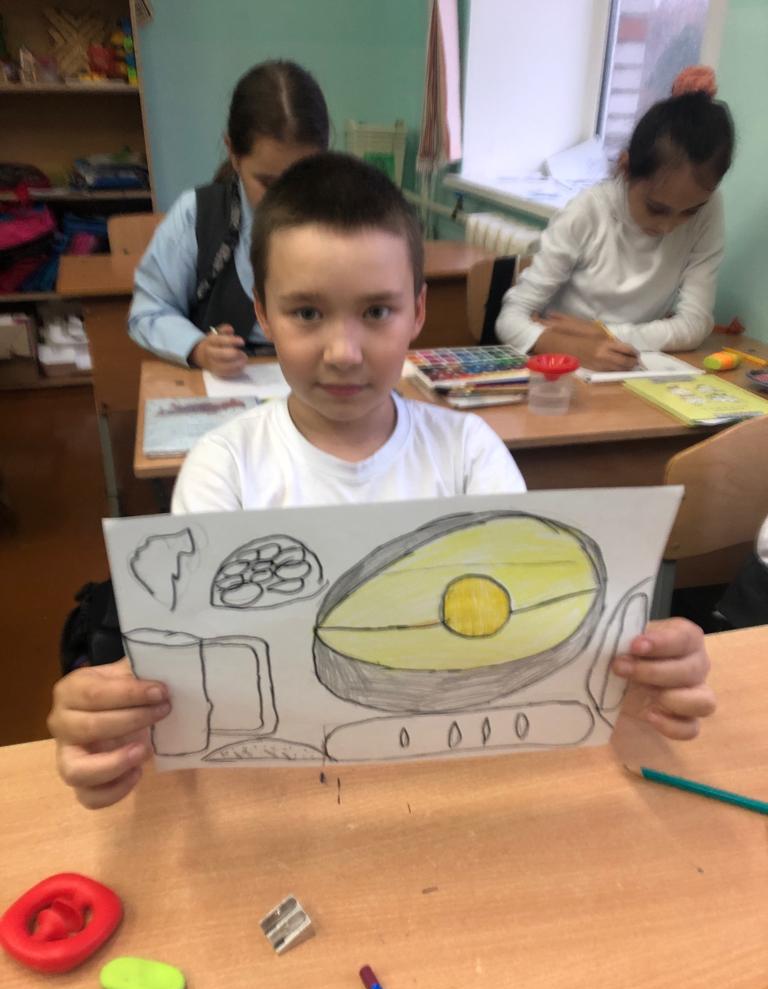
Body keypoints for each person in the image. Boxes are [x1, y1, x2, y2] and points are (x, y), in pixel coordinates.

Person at [49, 153, 715, 809]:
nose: (344, 353)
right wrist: (118, 721)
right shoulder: (224, 467)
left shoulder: (468, 453)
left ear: (418, 311)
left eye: (376, 312)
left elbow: (526, 628)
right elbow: (200, 668)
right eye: (307, 313)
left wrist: (635, 669)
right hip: (289, 803)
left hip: (456, 791)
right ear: (263, 313)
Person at [496, 66, 735, 371]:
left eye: (690, 211)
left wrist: (606, 334)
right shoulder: (588, 212)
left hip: (626, 369)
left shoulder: (709, 208)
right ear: (625, 168)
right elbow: (510, 318)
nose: (667, 226)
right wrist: (569, 346)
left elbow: (694, 324)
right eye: (656, 208)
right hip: (560, 370)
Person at [128, 60, 329, 378]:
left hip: (323, 379)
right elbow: (148, 309)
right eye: (267, 182)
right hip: (229, 383)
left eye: (304, 177)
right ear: (233, 153)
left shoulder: (345, 221)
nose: (287, 196)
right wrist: (197, 347)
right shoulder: (197, 215)